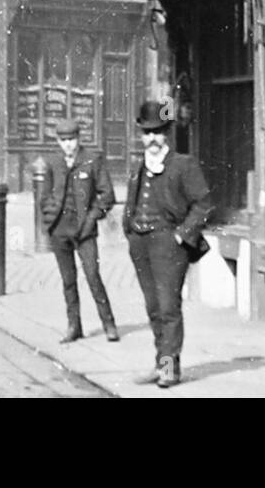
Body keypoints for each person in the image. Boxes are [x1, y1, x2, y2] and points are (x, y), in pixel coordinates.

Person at [122, 100, 212, 388]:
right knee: (152, 307)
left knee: (168, 307)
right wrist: (131, 231)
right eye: (147, 133)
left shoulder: (183, 165)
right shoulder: (140, 167)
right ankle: (160, 363)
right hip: (141, 243)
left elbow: (204, 204)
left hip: (168, 245)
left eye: (158, 132)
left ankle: (169, 369)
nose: (152, 139)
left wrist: (181, 234)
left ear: (168, 132)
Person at [40, 117, 119, 343]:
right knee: (68, 280)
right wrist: (50, 221)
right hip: (60, 230)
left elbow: (107, 195)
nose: (68, 145)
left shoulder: (92, 160)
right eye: (63, 140)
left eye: (72, 140)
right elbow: (44, 197)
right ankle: (74, 326)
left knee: (93, 276)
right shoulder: (52, 163)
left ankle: (109, 324)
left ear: (79, 139)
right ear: (58, 141)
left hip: (85, 231)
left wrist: (93, 217)